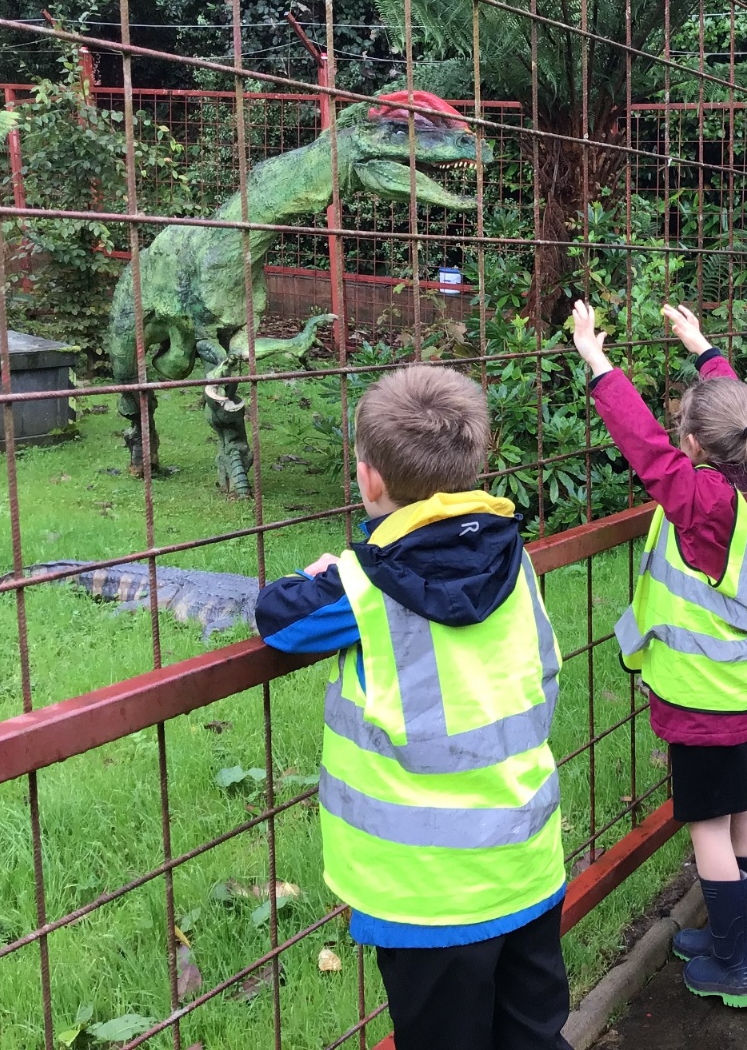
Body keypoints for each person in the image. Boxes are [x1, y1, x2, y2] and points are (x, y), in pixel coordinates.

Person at [255, 364, 571, 1050]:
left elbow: (279, 618)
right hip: (525, 862)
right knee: (534, 1036)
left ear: (369, 479)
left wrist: (317, 574)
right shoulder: (512, 558)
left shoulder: (363, 586)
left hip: (425, 896)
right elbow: (546, 672)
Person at [571, 299, 747, 1008]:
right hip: (746, 692)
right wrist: (704, 351)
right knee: (746, 809)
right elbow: (732, 417)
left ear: (691, 445)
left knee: (710, 828)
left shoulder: (703, 504)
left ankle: (736, 964)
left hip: (699, 700)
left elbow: (644, 446)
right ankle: (737, 940)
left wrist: (597, 362)